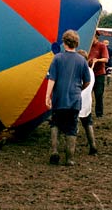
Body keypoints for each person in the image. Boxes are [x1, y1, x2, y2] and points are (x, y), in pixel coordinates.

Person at [45, 30, 91, 166]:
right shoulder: (82, 60)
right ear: (76, 43)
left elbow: (51, 79)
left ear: (64, 42)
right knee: (71, 128)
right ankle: (70, 158)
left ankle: (54, 151)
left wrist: (47, 96)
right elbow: (87, 81)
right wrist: (79, 89)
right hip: (74, 100)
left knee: (55, 124)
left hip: (59, 98)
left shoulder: (57, 58)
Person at [77, 50, 97, 155]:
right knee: (88, 123)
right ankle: (93, 146)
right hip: (87, 102)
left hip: (76, 102)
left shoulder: (78, 71)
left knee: (72, 126)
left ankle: (71, 149)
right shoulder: (90, 71)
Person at [88, 32, 109, 118]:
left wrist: (97, 60)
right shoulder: (88, 46)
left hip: (99, 74)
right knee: (87, 94)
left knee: (99, 94)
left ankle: (99, 113)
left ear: (95, 37)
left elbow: (106, 59)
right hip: (88, 73)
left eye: (91, 38)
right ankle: (86, 113)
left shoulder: (101, 46)